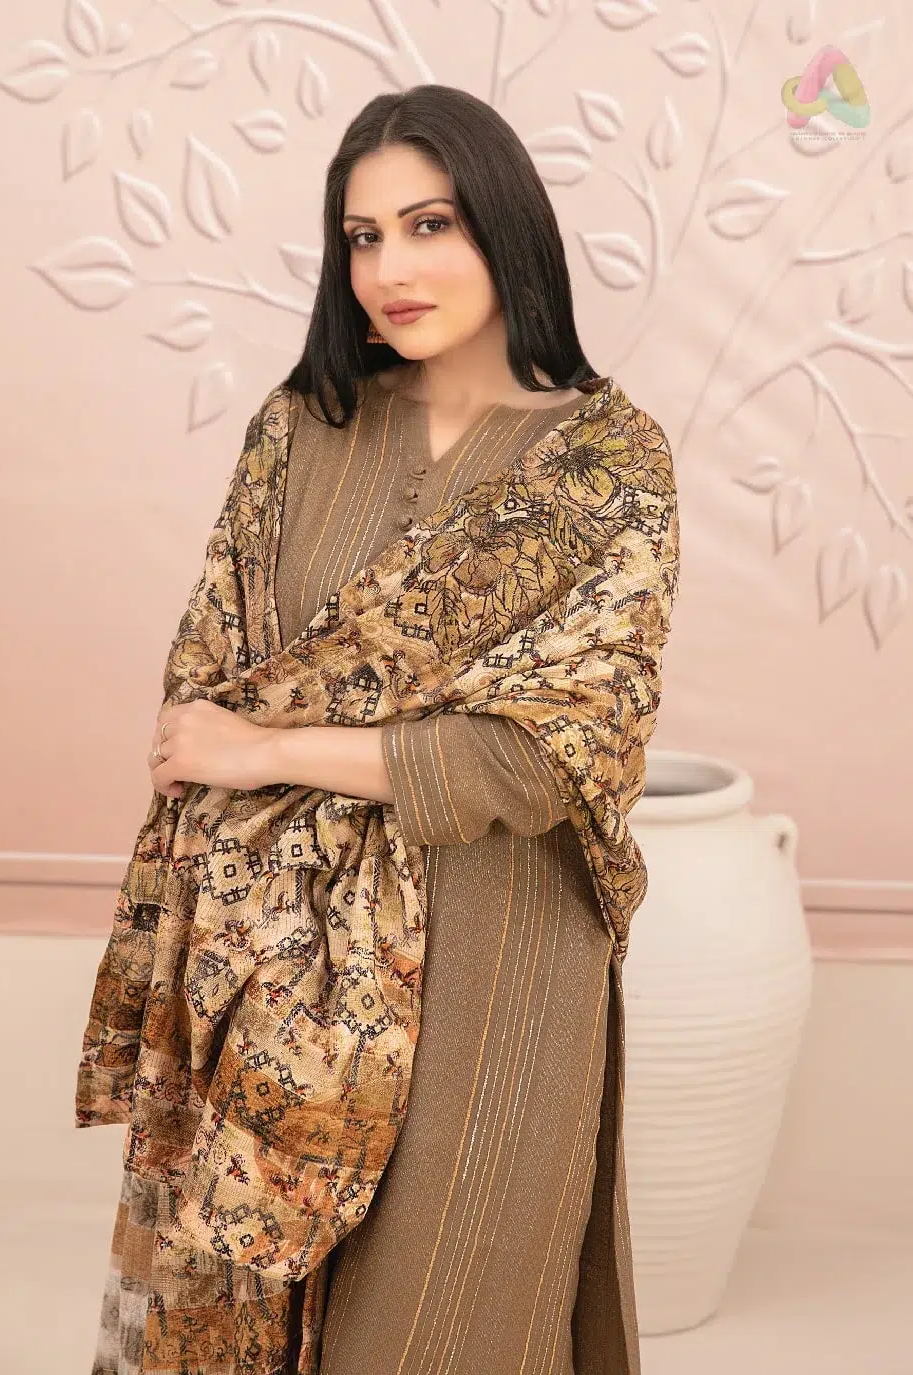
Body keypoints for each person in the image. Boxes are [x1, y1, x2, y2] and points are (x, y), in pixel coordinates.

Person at [87, 83, 678, 1375]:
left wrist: (270, 753)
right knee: (241, 1303)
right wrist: (238, 747)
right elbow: (206, 693)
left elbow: (552, 752)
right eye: (362, 237)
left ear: (507, 227)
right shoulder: (304, 430)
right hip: (272, 942)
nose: (390, 271)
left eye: (430, 225)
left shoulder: (608, 463)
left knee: (442, 1315)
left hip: (500, 943)